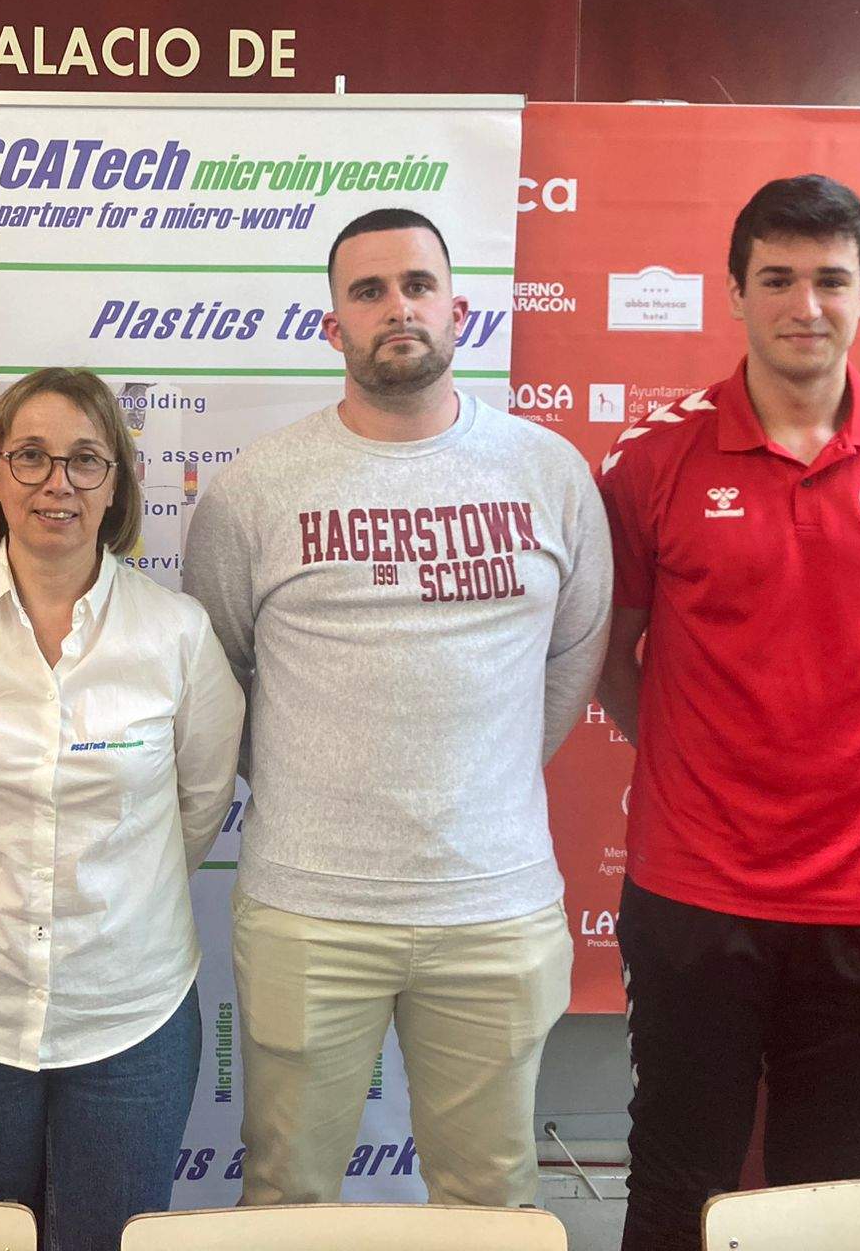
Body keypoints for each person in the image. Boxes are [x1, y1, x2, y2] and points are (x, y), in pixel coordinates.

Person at [594, 175, 860, 1251]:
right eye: (775, 279)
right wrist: (710, 765)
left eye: (829, 280)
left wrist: (846, 770)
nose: (803, 306)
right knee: (675, 1181)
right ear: (733, 292)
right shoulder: (649, 463)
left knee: (833, 1200)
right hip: (693, 895)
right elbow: (612, 664)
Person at [183, 207, 612, 1209]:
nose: (396, 309)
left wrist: (478, 786)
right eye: (367, 292)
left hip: (492, 907)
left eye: (416, 286)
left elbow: (571, 657)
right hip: (309, 909)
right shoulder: (255, 490)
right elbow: (217, 677)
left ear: (458, 309)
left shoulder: (547, 473)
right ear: (330, 325)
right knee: (285, 1194)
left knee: (491, 1196)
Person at [0, 367, 244, 1251]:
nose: (56, 484)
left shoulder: (176, 635)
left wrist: (109, 891)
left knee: (109, 1239)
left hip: (129, 1014)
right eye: (30, 457)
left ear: (116, 486)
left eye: (84, 460)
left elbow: (199, 804)